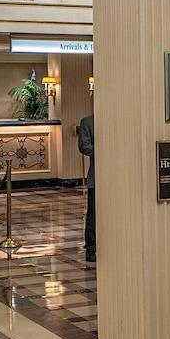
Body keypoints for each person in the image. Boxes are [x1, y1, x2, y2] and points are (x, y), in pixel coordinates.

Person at [76, 112, 94, 263]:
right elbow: (84, 146)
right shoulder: (87, 121)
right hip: (96, 179)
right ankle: (91, 249)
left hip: (118, 179)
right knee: (93, 215)